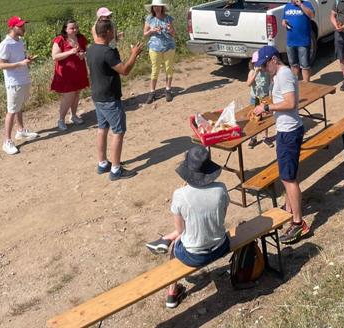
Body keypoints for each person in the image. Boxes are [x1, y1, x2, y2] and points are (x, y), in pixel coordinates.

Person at [144, 145, 230, 309]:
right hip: (221, 245)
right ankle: (165, 239)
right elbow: (222, 216)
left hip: (194, 255)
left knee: (175, 247)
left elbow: (181, 230)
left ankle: (172, 293)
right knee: (182, 235)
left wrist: (174, 236)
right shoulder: (221, 189)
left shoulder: (180, 195)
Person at [252, 46, 311, 244]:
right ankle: (289, 211)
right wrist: (271, 111)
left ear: (274, 60)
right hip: (286, 130)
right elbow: (284, 103)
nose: (263, 69)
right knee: (288, 175)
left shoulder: (284, 74)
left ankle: (297, 223)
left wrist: (267, 107)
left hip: (289, 132)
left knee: (288, 178)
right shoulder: (279, 74)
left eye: (264, 65)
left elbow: (291, 103)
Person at [87, 19, 144, 181]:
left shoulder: (91, 49)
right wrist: (134, 54)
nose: (114, 32)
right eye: (112, 30)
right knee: (118, 132)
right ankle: (116, 169)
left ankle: (103, 163)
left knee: (102, 129)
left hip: (98, 96)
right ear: (107, 33)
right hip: (110, 99)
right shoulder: (107, 52)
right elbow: (124, 70)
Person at [0, 16, 37, 155]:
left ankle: (20, 131)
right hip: (13, 82)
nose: (23, 28)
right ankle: (7, 141)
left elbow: (20, 58)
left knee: (19, 106)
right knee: (11, 110)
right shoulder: (5, 44)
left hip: (23, 79)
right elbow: (1, 65)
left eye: (23, 25)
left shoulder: (20, 41)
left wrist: (27, 60)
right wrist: (20, 64)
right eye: (20, 26)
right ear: (12, 27)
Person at [50, 19, 89, 131]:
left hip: (79, 70)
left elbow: (86, 50)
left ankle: (73, 115)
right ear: (65, 29)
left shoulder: (81, 38)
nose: (75, 29)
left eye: (76, 27)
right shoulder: (60, 40)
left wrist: (83, 54)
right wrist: (70, 52)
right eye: (72, 28)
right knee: (69, 95)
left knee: (77, 93)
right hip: (65, 73)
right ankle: (61, 120)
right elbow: (55, 56)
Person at [143, 0, 176, 103]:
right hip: (154, 47)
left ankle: (168, 90)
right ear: (152, 8)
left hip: (169, 47)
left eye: (159, 6)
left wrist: (170, 30)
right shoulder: (149, 19)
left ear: (162, 7)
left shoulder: (168, 18)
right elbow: (145, 34)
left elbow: (173, 34)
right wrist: (151, 30)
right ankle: (152, 92)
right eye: (155, 6)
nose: (157, 8)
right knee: (155, 69)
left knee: (169, 68)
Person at [282, 0, 316, 82]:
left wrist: (301, 5)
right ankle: (295, 85)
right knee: (293, 65)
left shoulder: (307, 4)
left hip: (303, 41)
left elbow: (312, 15)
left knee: (305, 66)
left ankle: (306, 85)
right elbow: (283, 20)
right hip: (291, 42)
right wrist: (284, 23)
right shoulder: (287, 7)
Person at [246, 50, 272, 148]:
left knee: (264, 117)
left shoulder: (266, 72)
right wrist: (255, 73)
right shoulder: (252, 72)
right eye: (257, 64)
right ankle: (253, 138)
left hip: (264, 98)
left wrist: (270, 96)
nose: (259, 66)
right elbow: (248, 84)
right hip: (255, 98)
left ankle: (265, 137)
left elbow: (270, 83)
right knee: (254, 118)